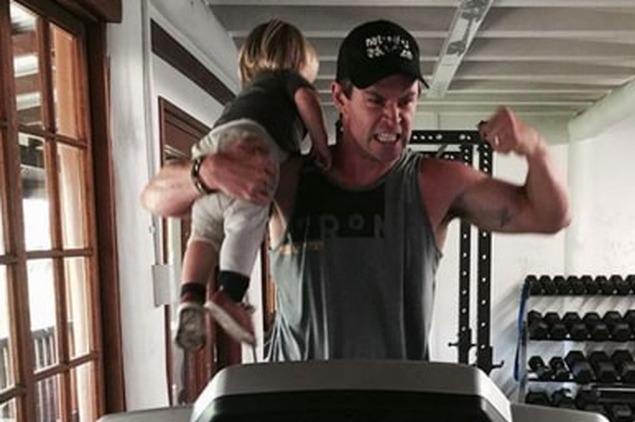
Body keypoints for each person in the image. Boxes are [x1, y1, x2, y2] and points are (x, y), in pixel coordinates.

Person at [142, 19, 570, 360]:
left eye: (406, 100)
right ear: (340, 99)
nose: (393, 117)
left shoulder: (436, 182)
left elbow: (549, 216)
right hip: (295, 412)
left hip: (394, 412)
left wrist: (533, 147)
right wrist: (206, 169)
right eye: (376, 100)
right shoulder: (289, 177)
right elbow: (156, 199)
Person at [172, 19, 331, 351]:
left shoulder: (245, 96)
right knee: (247, 219)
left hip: (211, 149)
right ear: (296, 63)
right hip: (251, 146)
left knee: (204, 232)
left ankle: (190, 295)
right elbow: (307, 100)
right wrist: (320, 144)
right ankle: (230, 294)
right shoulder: (287, 80)